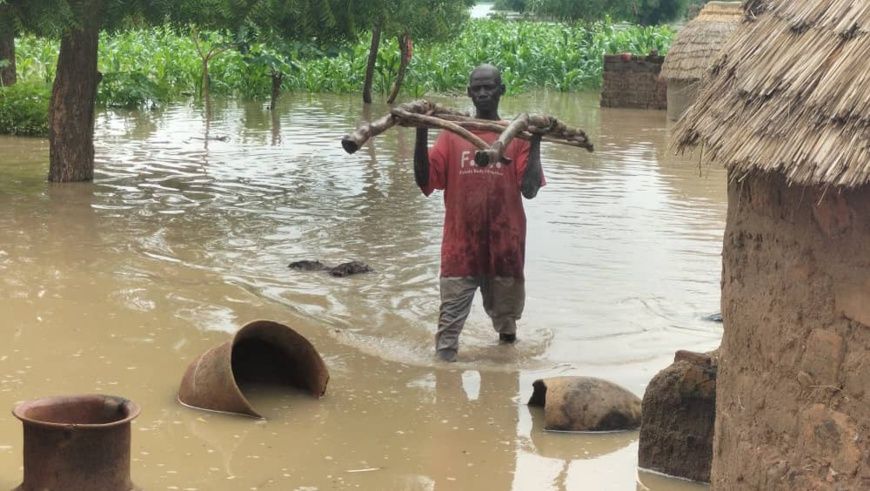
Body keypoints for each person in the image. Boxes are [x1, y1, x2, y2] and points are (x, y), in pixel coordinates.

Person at [414, 63, 544, 362]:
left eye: (490, 87)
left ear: (501, 91)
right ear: (469, 93)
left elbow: (530, 189)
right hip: (460, 249)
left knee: (508, 331)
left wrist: (535, 142)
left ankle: (502, 385)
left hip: (505, 249)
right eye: (478, 88)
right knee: (446, 339)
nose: (484, 93)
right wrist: (421, 131)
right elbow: (425, 180)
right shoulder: (452, 135)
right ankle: (445, 391)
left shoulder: (517, 137)